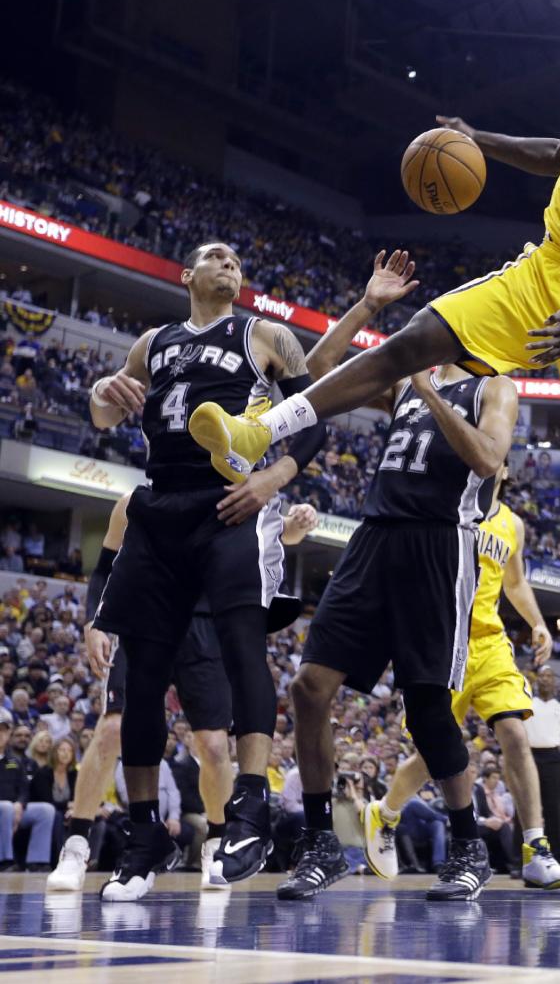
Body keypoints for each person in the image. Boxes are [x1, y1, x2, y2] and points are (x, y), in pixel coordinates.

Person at [188, 41, 560, 689]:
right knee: (411, 341)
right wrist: (475, 139)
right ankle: (259, 430)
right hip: (543, 269)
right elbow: (554, 154)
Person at [231, 264, 515, 903]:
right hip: (375, 538)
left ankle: (470, 848)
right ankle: (320, 842)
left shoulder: (494, 388)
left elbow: (488, 459)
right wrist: (364, 305)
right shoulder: (406, 379)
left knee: (427, 707)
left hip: (440, 545)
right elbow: (318, 377)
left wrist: (431, 391)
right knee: (309, 687)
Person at [84, 240, 333, 901]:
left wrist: (275, 476)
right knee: (140, 680)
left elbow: (313, 418)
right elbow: (104, 413)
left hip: (230, 502)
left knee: (243, 645)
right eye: (213, 255)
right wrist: (102, 394)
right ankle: (145, 835)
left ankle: (250, 807)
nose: (229, 261)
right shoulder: (153, 342)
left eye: (235, 258)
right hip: (160, 502)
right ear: (188, 274)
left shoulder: (265, 334)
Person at [46, 492, 317, 894]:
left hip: (205, 623)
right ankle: (76, 843)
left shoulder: (230, 494)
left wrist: (299, 521)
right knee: (112, 729)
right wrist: (93, 621)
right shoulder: (136, 500)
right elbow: (105, 568)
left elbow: (281, 535)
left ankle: (215, 841)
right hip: (144, 615)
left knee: (210, 745)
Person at [362, 464, 560, 891]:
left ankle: (536, 849)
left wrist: (537, 622)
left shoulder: (512, 523)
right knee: (433, 756)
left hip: (490, 642)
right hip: (441, 640)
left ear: (507, 468)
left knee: (515, 732)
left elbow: (515, 583)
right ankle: (385, 812)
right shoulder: (445, 502)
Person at [524, 669, 560, 867]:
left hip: (553, 757)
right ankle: (519, 860)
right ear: (537, 681)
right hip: (528, 756)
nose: (545, 679)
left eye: (549, 676)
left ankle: (558, 858)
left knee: (554, 809)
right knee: (526, 807)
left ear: (555, 681)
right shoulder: (526, 702)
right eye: (542, 676)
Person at [0, 714, 56, 871]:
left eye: (4, 732)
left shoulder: (15, 761)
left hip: (13, 809)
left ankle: (37, 861)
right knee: (5, 807)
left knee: (46, 810)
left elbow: (24, 788)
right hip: (4, 808)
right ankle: (5, 861)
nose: (0, 735)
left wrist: (20, 804)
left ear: (8, 736)